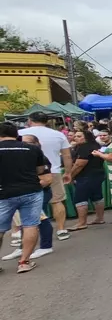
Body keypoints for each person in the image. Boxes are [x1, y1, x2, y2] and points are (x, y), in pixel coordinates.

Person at [1, 131, 54, 269]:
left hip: (4, 193)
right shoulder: (32, 149)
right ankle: (24, 262)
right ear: (16, 134)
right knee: (30, 225)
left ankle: (41, 248)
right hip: (30, 191)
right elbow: (43, 172)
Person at [19, 111, 71, 242]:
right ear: (47, 121)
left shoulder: (20, 134)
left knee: (23, 202)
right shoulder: (58, 134)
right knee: (57, 201)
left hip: (26, 172)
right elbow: (66, 155)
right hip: (53, 170)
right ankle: (61, 229)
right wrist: (68, 172)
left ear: (29, 120)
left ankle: (24, 232)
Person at [67, 128, 106, 230]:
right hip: (98, 174)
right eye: (75, 136)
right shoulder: (96, 146)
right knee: (97, 197)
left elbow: (79, 164)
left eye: (79, 136)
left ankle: (82, 222)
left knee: (80, 198)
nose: (76, 138)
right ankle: (99, 218)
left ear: (86, 138)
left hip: (86, 176)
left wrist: (70, 175)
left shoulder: (84, 147)